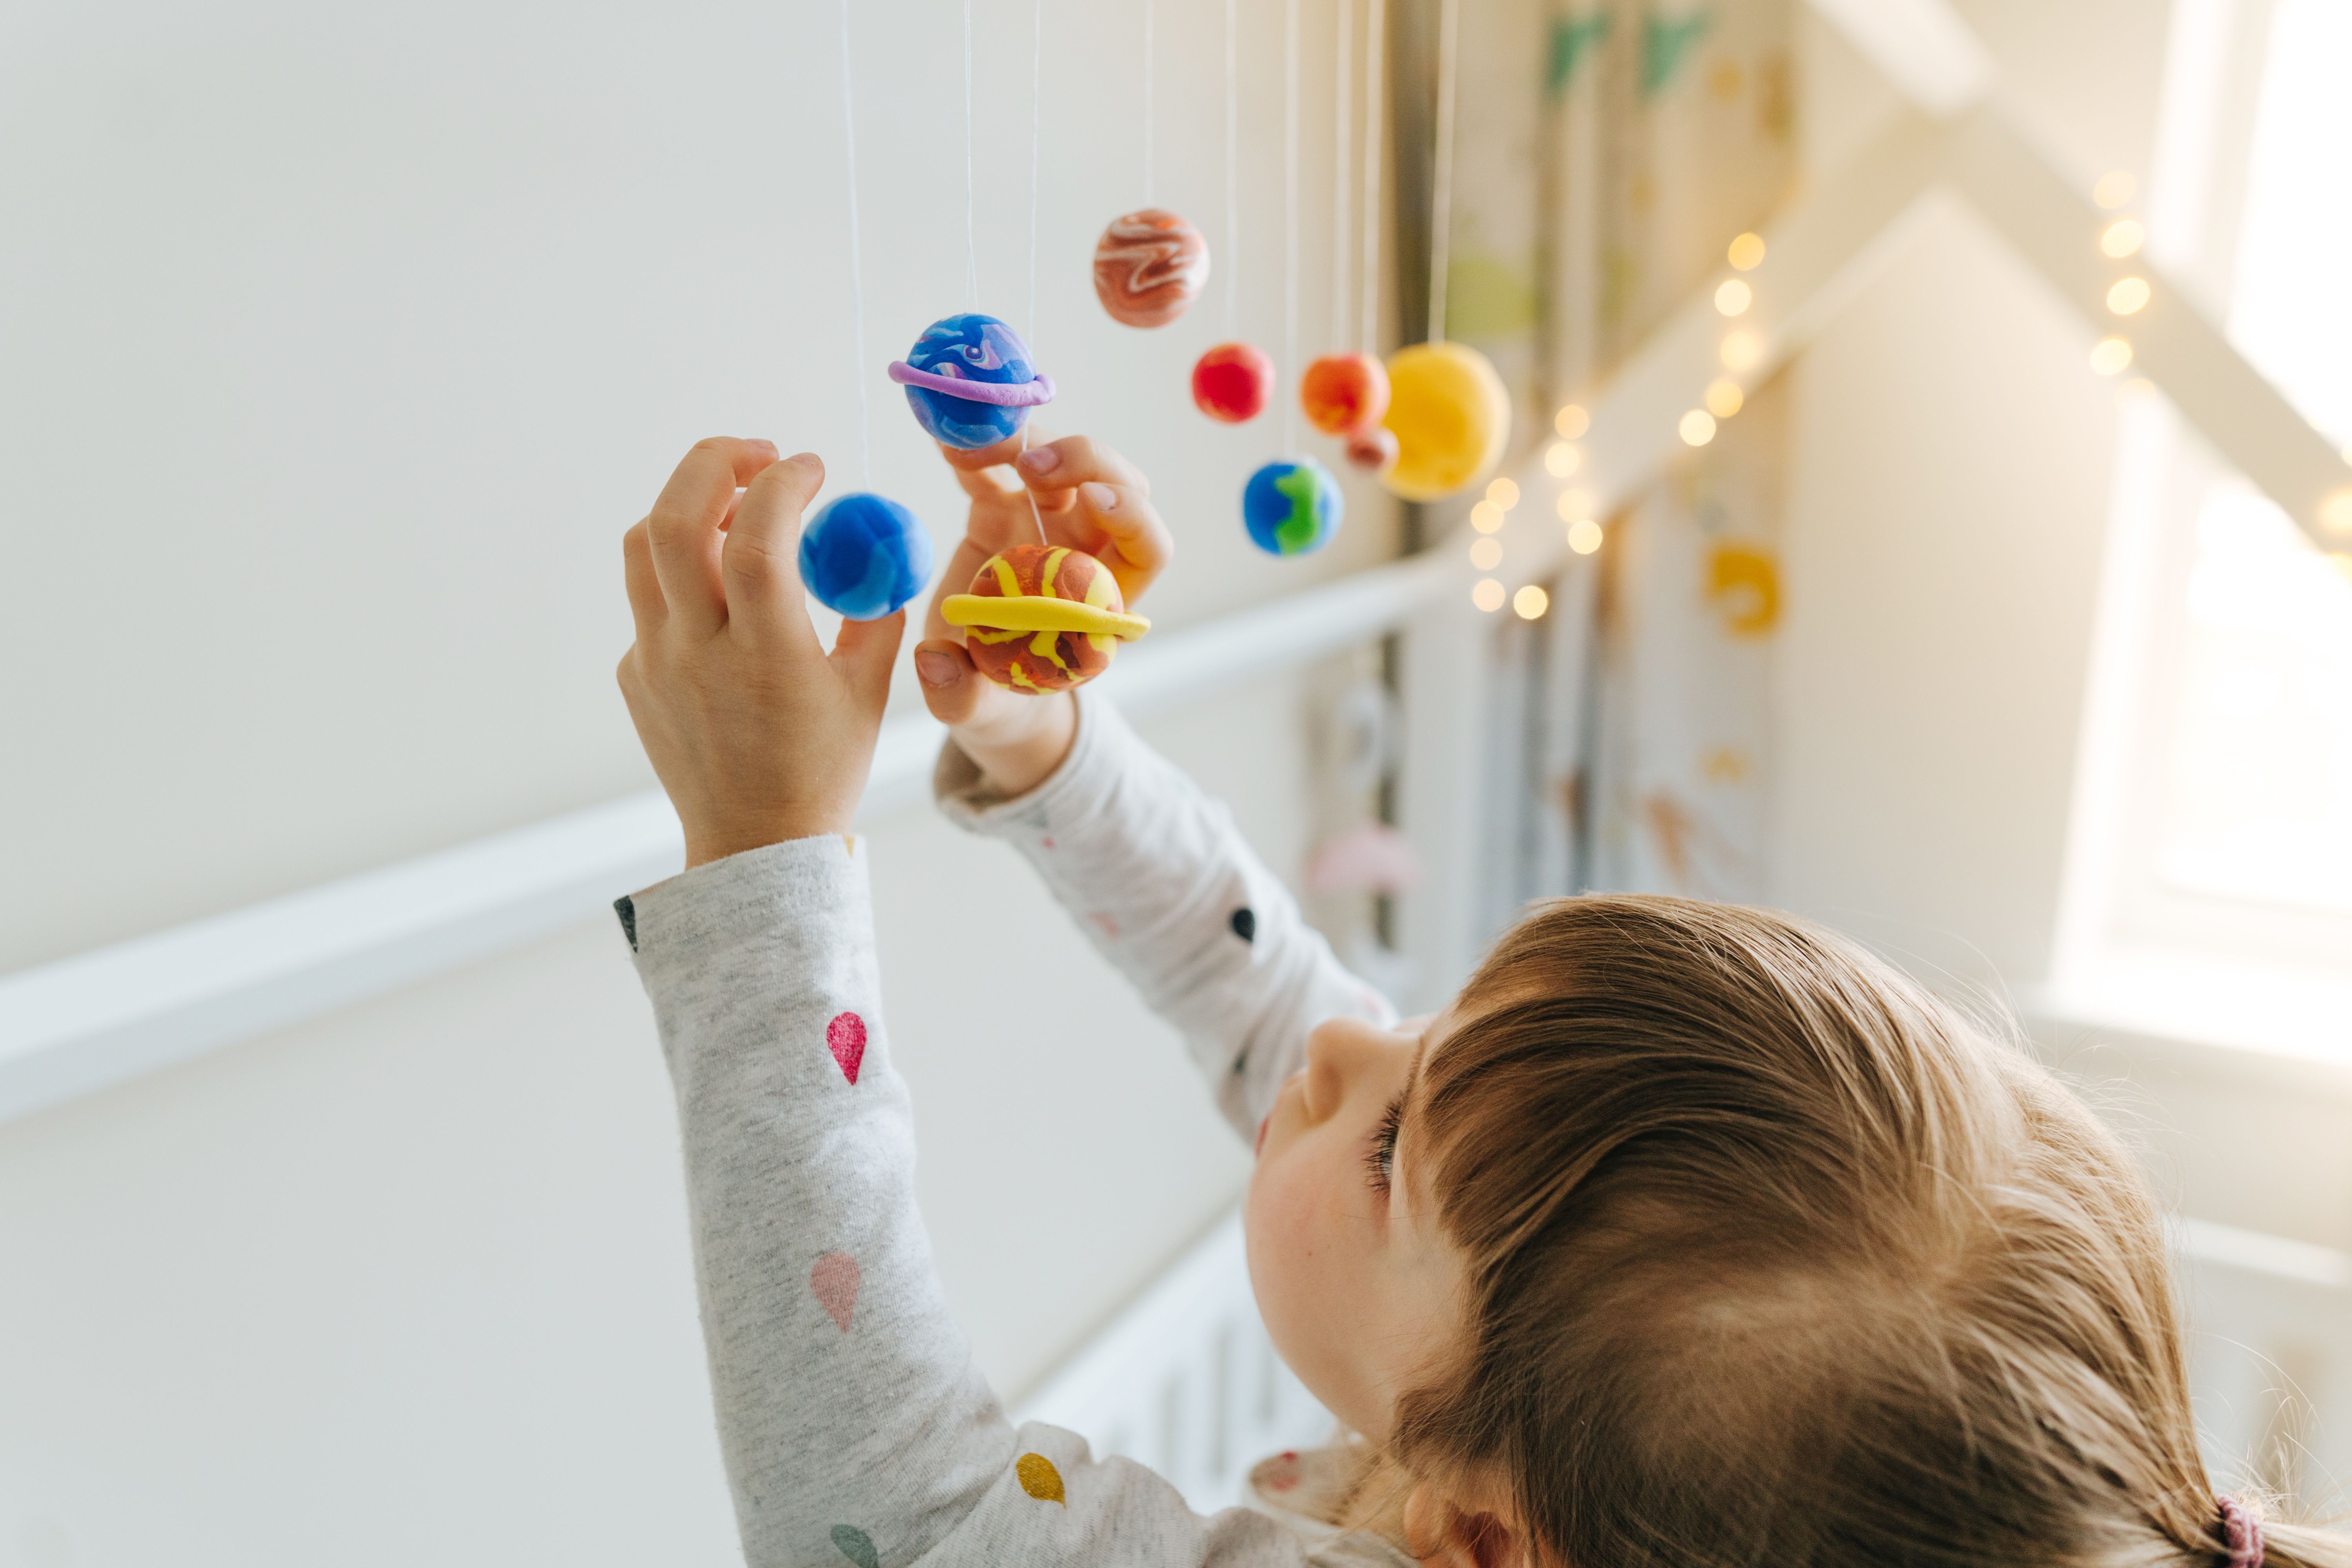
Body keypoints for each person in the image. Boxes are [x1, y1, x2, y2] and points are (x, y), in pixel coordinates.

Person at [613, 434, 2341, 1568]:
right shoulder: (1527, 1429)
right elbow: (1258, 988)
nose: (1336, 1041)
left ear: (1482, 1540)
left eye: (1391, 1153)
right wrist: (1044, 741)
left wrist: (768, 864)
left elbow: (901, 1521)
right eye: (1433, 1039)